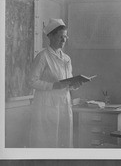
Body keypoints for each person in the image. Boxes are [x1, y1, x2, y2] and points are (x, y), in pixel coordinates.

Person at [28, 18, 82, 148]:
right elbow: (31, 81)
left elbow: (66, 82)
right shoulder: (43, 56)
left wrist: (74, 85)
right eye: (60, 37)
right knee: (48, 142)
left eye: (65, 37)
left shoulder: (66, 58)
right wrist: (52, 86)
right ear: (51, 36)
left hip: (63, 104)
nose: (64, 40)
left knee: (63, 140)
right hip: (47, 106)